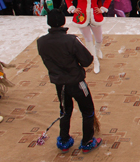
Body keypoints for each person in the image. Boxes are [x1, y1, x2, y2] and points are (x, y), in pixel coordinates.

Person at [37, 9, 102, 152]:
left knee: (65, 111)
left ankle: (64, 140)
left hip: (60, 84)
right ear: (63, 22)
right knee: (88, 111)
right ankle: (87, 141)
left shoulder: (41, 42)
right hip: (76, 82)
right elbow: (86, 60)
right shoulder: (71, 40)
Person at [65, 0, 112, 74]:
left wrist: (103, 8)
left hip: (95, 16)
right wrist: (72, 8)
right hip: (81, 17)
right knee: (88, 40)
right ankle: (95, 61)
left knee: (99, 39)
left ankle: (97, 50)